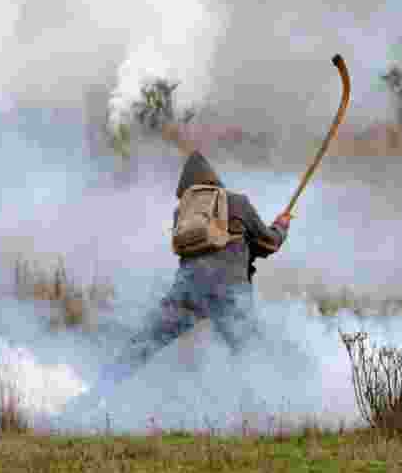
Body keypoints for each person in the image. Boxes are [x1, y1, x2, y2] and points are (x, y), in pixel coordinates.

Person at [91, 149, 291, 392]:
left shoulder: (181, 213)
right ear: (213, 179)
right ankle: (274, 411)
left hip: (187, 292)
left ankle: (95, 395)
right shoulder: (237, 202)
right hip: (229, 293)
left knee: (144, 343)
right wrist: (281, 226)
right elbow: (268, 243)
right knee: (251, 355)